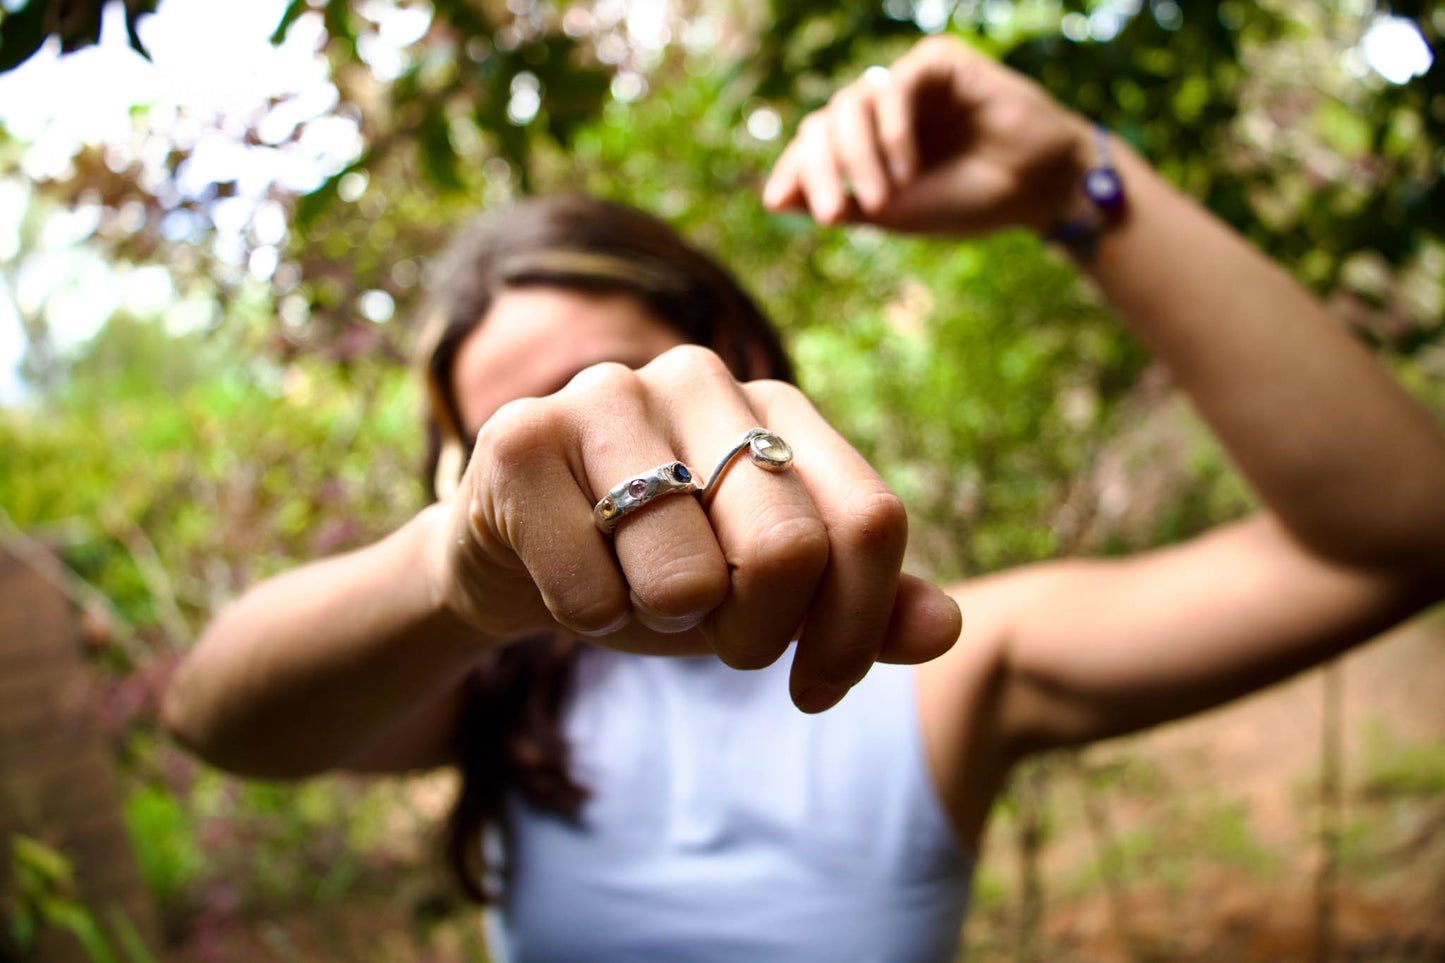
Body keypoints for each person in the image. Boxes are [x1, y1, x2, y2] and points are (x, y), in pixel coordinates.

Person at [163, 36, 1445, 962]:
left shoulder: (933, 660)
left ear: (733, 360)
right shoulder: (488, 696)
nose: (566, 450)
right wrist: (455, 574)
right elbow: (219, 718)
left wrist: (1077, 189)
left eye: (590, 389)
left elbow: (1398, 534)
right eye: (500, 444)